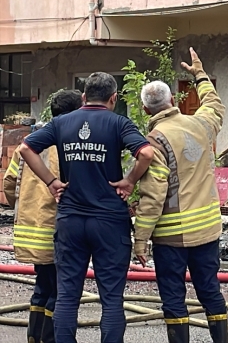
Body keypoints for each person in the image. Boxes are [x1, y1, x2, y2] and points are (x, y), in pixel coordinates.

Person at [18, 72, 154, 343]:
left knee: (68, 295)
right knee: (112, 299)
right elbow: (147, 153)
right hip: (109, 221)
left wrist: (52, 182)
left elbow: (25, 149)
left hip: (71, 220)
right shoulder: (118, 123)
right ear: (113, 97)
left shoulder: (61, 123)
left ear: (83, 97)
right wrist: (129, 181)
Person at [133, 47, 228, 343]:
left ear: (147, 110)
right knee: (210, 290)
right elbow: (214, 104)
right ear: (172, 100)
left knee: (174, 297)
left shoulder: (155, 140)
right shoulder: (200, 124)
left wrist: (140, 239)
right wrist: (199, 74)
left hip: (171, 237)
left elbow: (153, 193)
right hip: (208, 231)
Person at [3, 90, 83, 343]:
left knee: (42, 286)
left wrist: (24, 207)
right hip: (56, 229)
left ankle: (34, 337)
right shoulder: (68, 144)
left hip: (31, 228)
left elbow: (9, 183)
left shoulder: (29, 143)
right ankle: (49, 338)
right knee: (59, 290)